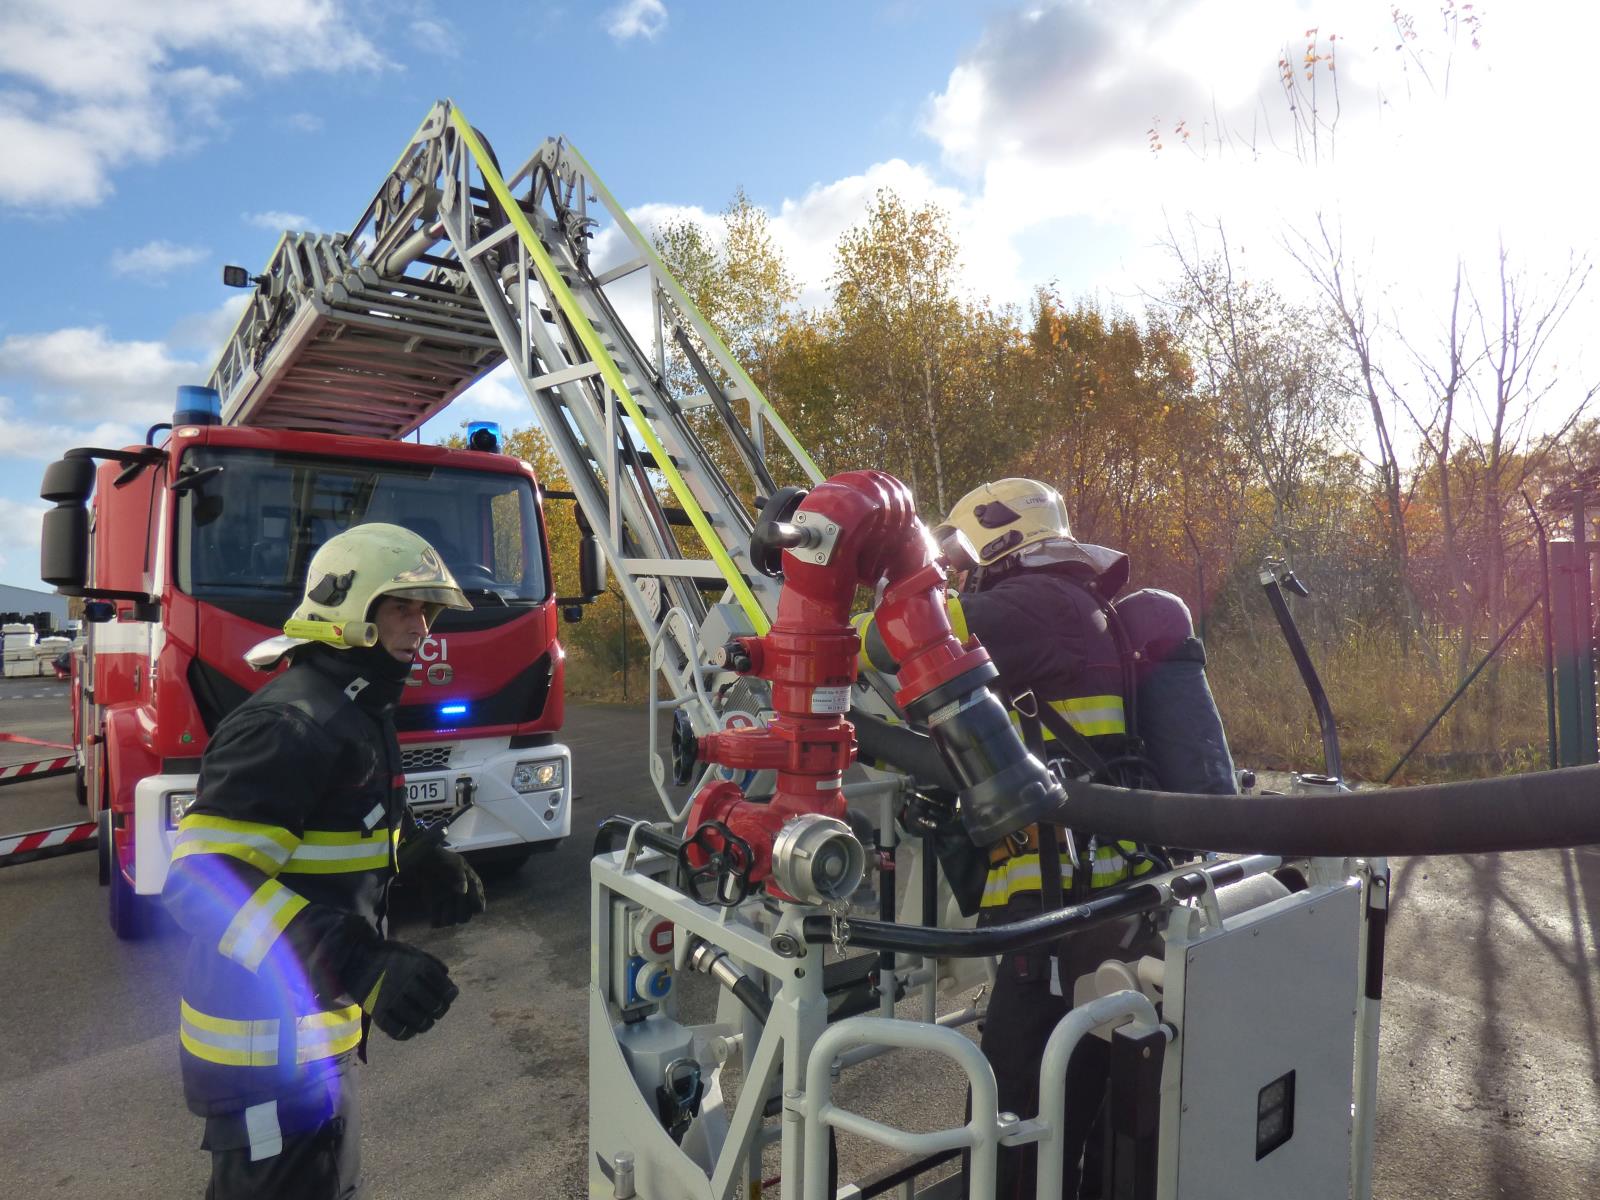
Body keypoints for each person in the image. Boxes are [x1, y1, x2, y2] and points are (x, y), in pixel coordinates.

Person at [875, 478, 1235, 1198]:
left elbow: (890, 643)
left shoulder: (1026, 608)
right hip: (1113, 897)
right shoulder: (1090, 607)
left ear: (999, 539)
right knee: (1101, 1091)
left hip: (1048, 911)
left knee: (1012, 1107)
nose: (964, 573)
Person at [162, 522, 488, 1199]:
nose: (420, 626)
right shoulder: (291, 723)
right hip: (261, 1060)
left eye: (427, 610)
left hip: (311, 1046)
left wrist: (422, 854)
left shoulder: (354, 708)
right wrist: (362, 962)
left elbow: (354, 821)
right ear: (350, 606)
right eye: (403, 606)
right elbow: (202, 881)